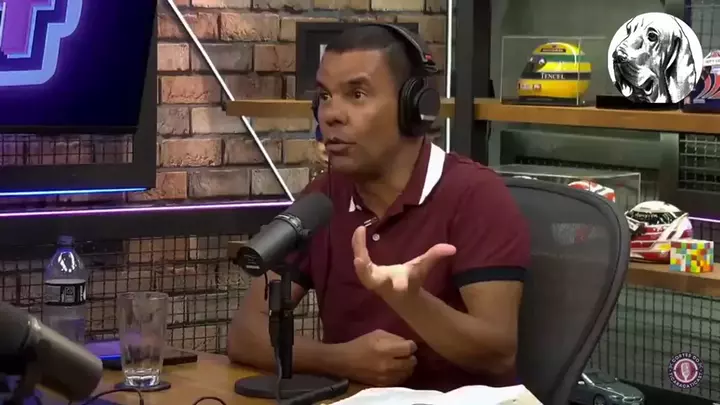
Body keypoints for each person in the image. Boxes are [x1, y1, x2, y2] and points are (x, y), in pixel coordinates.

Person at [228, 24, 530, 392]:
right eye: (325, 96)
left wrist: (409, 300)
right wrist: (340, 359)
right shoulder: (323, 198)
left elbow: (498, 353)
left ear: (414, 107)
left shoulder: (476, 196)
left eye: (356, 94)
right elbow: (245, 334)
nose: (331, 114)